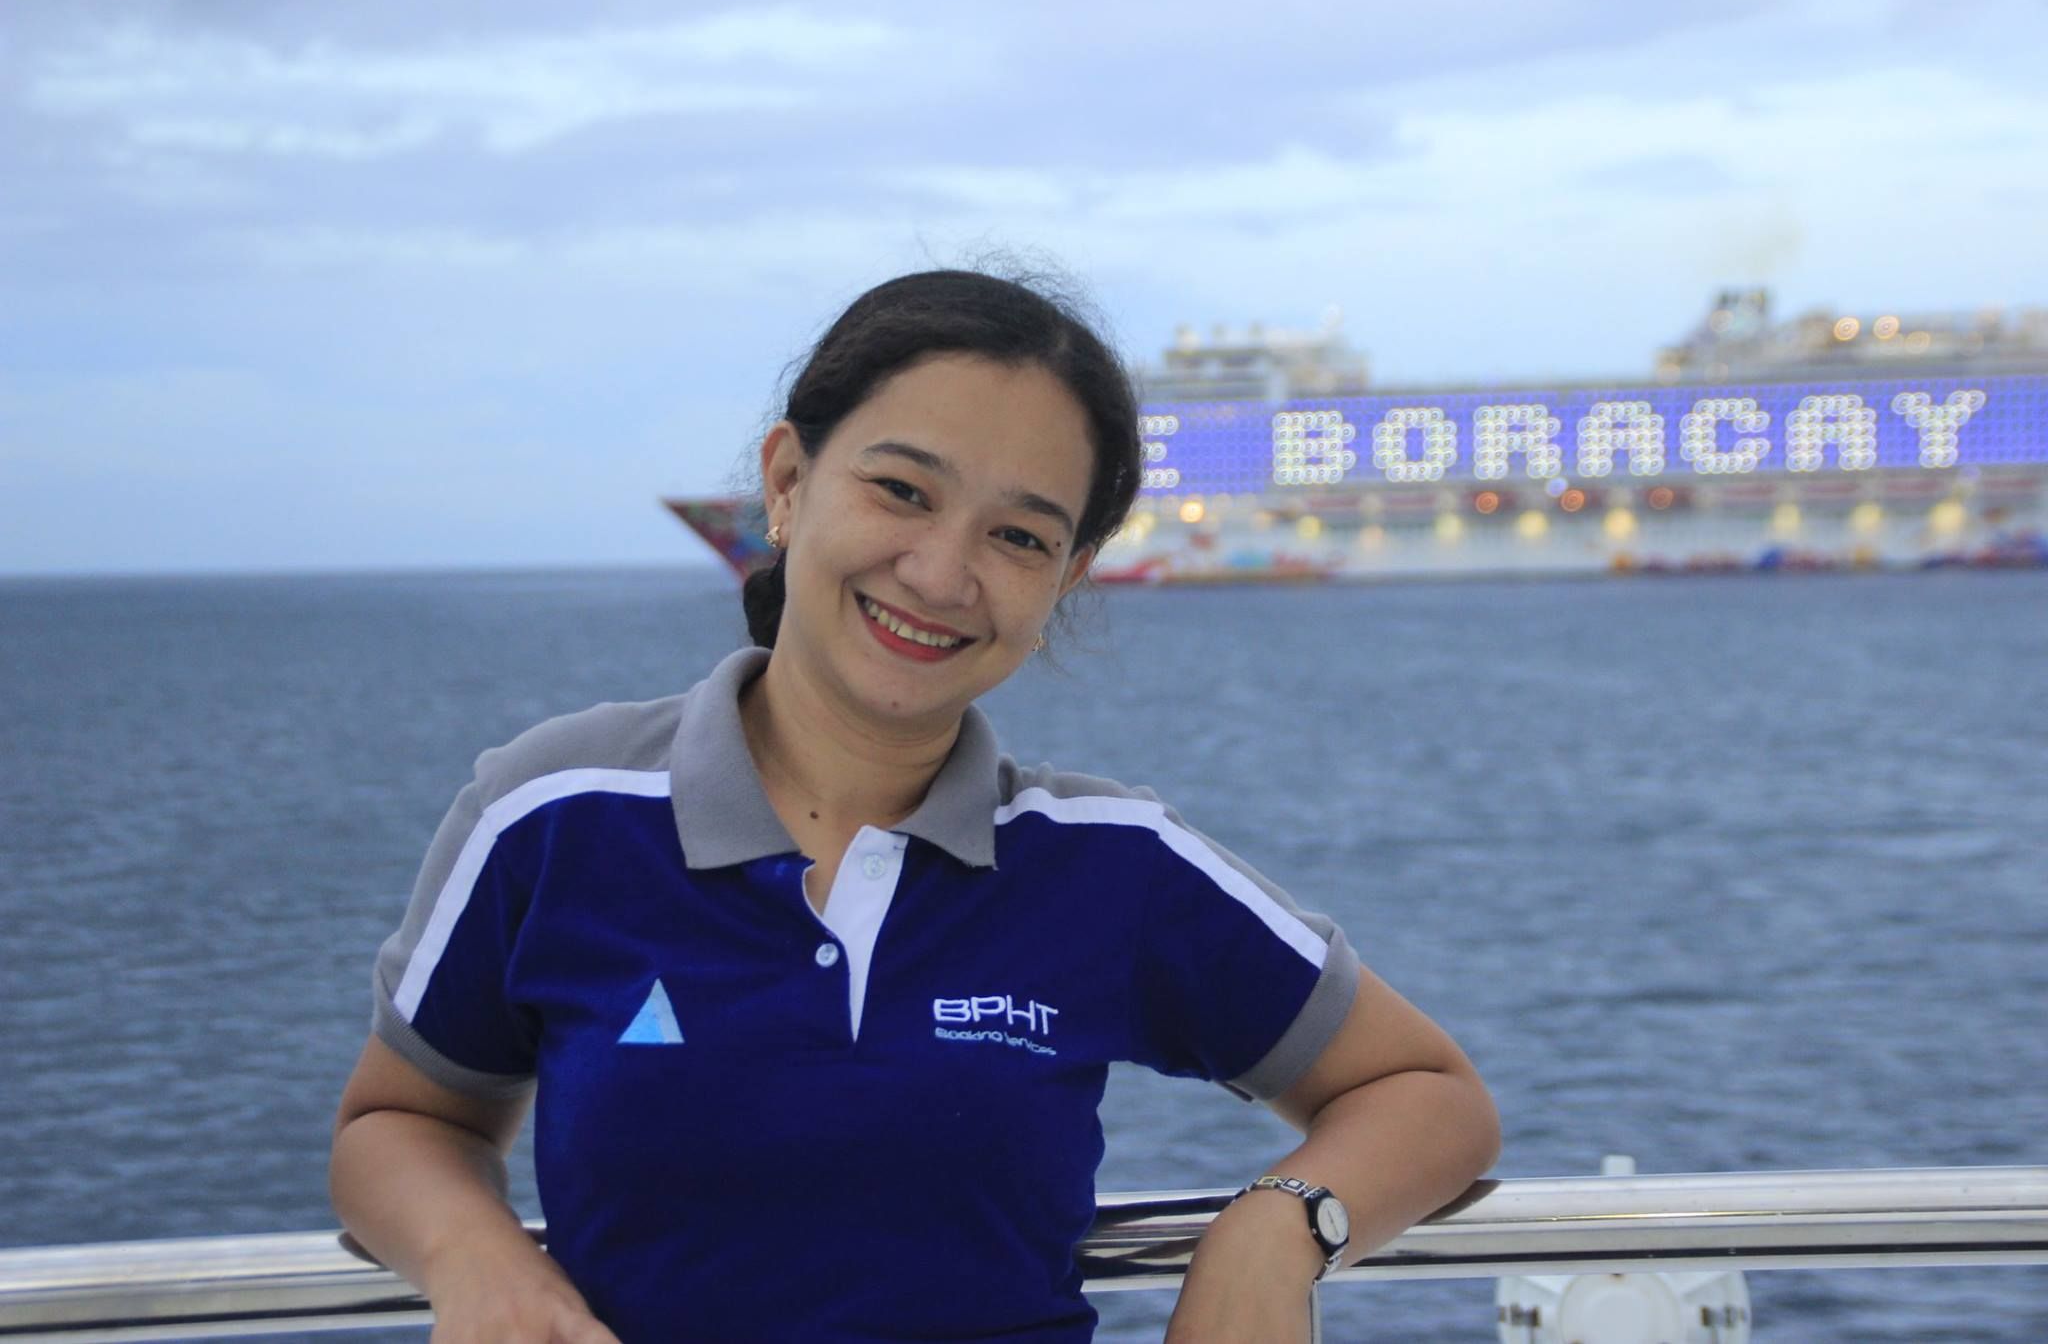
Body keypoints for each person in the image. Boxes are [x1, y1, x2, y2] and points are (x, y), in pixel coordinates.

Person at [330, 267, 1499, 1343]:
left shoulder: (1109, 868)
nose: (941, 574)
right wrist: (475, 1257)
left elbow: (1427, 1097)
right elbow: (400, 1125)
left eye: (1017, 535)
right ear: (787, 483)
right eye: (900, 490)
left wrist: (1277, 1229)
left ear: (1062, 581)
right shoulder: (555, 813)